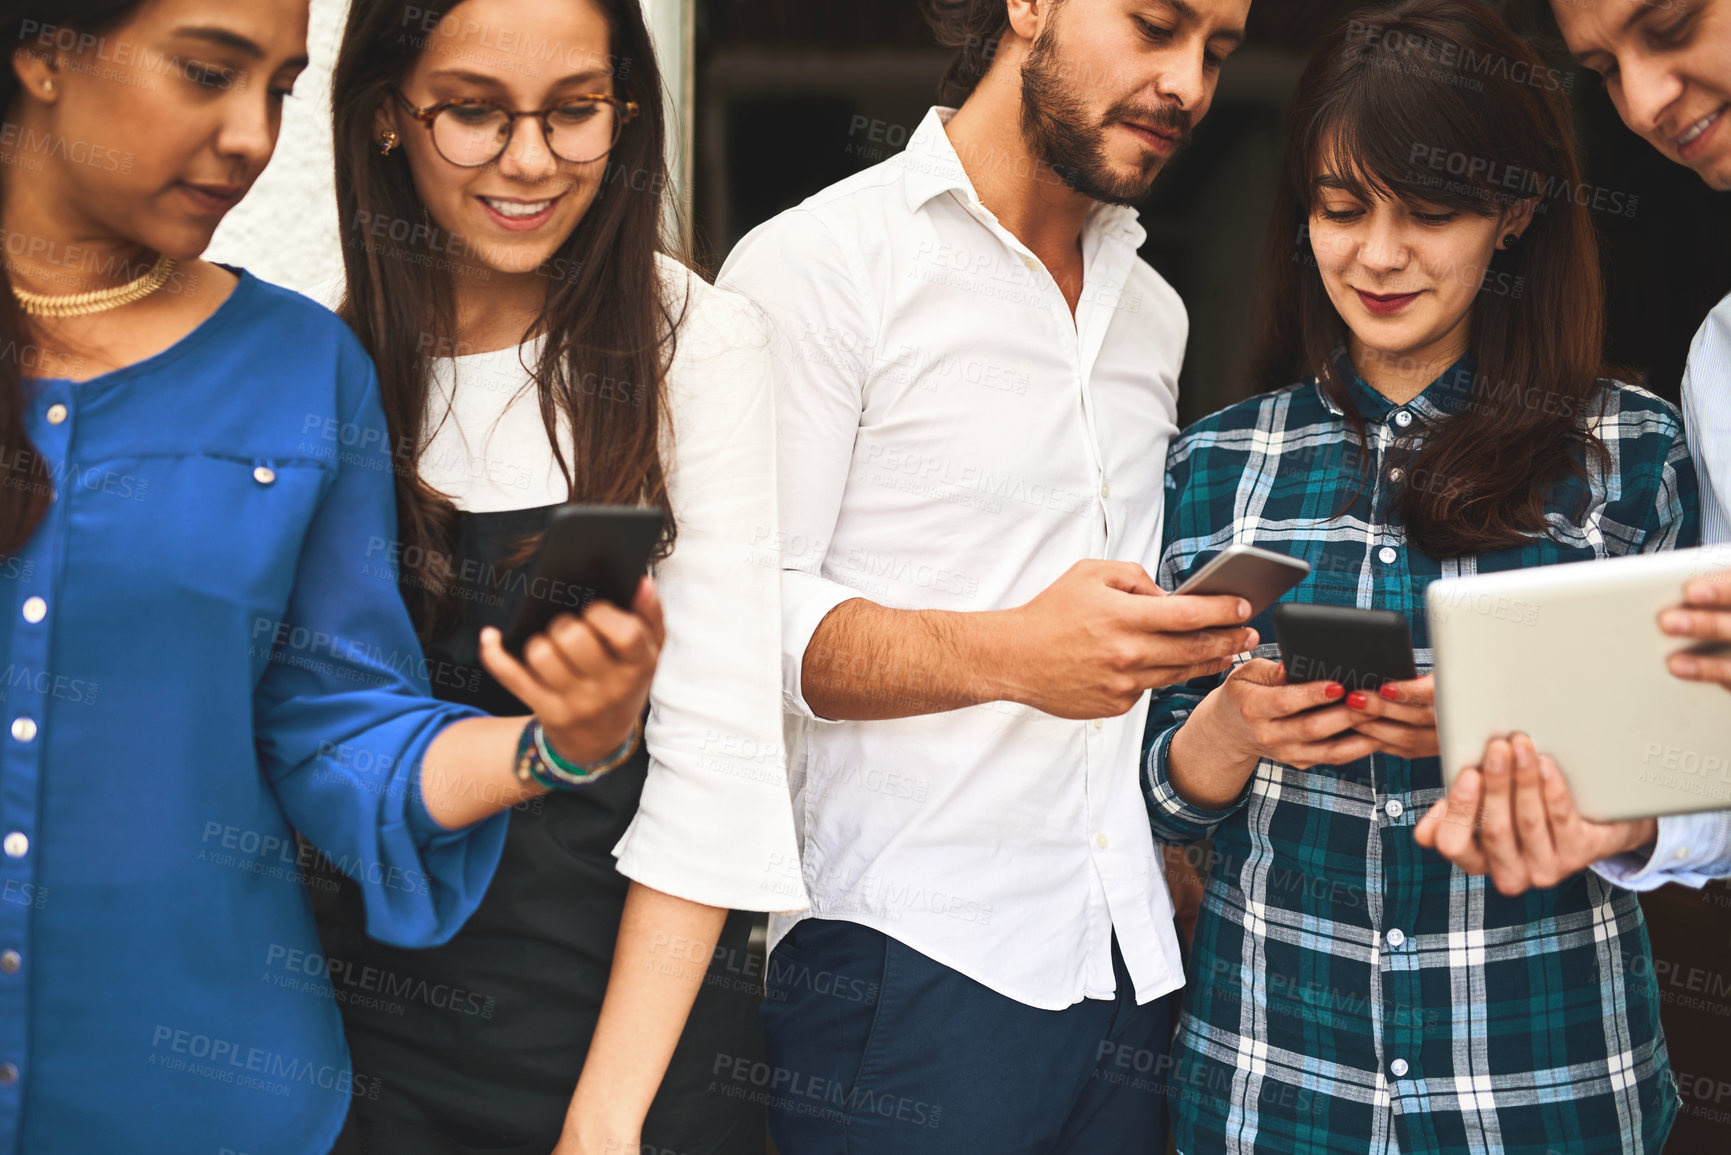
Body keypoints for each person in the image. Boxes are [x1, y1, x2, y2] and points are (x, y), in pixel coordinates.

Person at [0, 1, 667, 1152]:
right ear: (45, 51)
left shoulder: (303, 369)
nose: (253, 135)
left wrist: (560, 744)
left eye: (280, 88)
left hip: (210, 1108)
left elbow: (338, 731)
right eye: (208, 73)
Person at [1141, 2, 1697, 1150]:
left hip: (1545, 1091)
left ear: (1516, 212)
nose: (1378, 255)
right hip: (1272, 1089)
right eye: (1341, 210)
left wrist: (1529, 742)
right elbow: (1144, 795)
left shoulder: (1634, 451)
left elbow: (1698, 780)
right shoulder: (1215, 463)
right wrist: (1236, 732)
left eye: (1430, 213)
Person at [717, 0, 1256, 1150]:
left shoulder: (1152, 310)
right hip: (908, 964)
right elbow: (734, 623)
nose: (1190, 83)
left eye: (1218, 50)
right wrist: (1014, 654)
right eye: (1156, 25)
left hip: (1133, 958)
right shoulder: (817, 267)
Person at [312, 2, 805, 1154]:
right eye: (475, 113)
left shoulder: (696, 346)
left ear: (624, 111)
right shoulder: (333, 364)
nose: (531, 160)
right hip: (370, 1056)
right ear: (387, 114)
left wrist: (605, 1118)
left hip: (629, 1053)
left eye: (576, 111)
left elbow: (720, 766)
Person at [1419, 0, 1731, 893]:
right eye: (1601, 70)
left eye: (1669, 24)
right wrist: (1629, 816)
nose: (1640, 104)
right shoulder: (1718, 359)